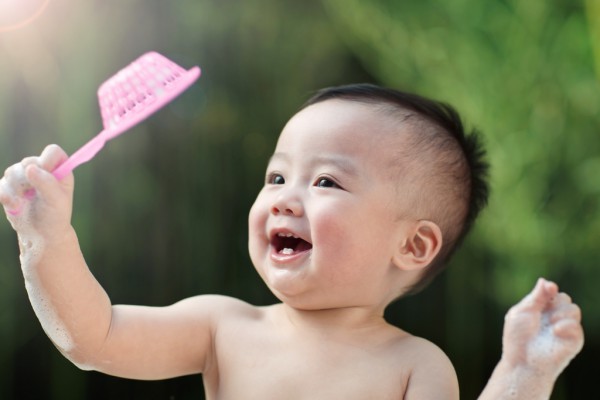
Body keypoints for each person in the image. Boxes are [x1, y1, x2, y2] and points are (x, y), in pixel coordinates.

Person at [0, 84, 583, 399]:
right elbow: (93, 337)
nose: (282, 196)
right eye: (277, 176)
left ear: (412, 246)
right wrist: (45, 238)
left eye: (325, 181)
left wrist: (522, 375)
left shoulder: (414, 366)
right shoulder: (222, 328)